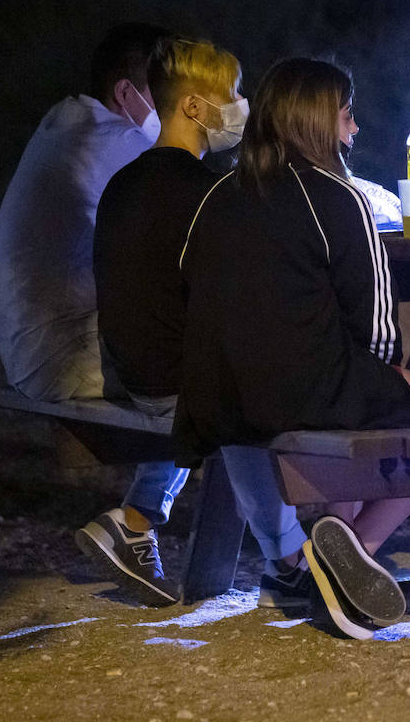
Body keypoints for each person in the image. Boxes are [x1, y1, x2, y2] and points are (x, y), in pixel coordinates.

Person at [176, 57, 410, 639]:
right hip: (309, 389)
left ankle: (332, 555)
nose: (355, 129)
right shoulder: (339, 198)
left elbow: (194, 289)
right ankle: (356, 548)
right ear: (316, 121)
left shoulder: (215, 196)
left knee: (397, 400)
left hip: (221, 399)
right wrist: (380, 376)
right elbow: (378, 333)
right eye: (346, 115)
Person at [83, 37, 317, 611]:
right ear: (193, 107)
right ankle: (289, 561)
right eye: (232, 96)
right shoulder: (208, 194)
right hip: (176, 385)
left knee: (230, 372)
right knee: (253, 388)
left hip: (131, 369)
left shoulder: (124, 181)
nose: (242, 106)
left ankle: (136, 520)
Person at [0, 22, 167, 403]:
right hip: (67, 360)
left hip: (33, 354)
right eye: (167, 94)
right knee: (232, 378)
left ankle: (170, 465)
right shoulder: (118, 143)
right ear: (125, 92)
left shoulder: (63, 121)